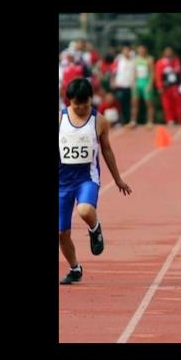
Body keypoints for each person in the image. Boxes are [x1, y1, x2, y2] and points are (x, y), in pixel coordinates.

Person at [59, 78, 132, 285]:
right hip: (62, 182)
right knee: (61, 233)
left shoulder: (99, 121)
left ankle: (94, 228)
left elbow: (107, 150)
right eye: (77, 104)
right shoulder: (60, 119)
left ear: (92, 100)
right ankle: (75, 269)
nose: (82, 108)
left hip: (86, 179)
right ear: (68, 101)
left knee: (84, 210)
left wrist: (118, 179)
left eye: (86, 103)